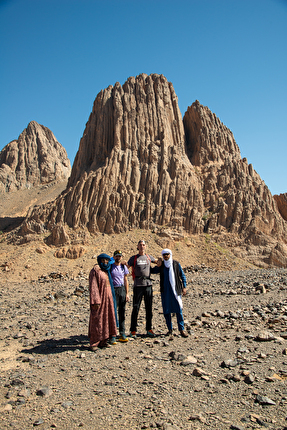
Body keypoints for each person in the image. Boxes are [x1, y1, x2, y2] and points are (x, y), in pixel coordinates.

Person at [127, 240, 160, 338]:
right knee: (136, 308)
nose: (142, 246)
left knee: (149, 308)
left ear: (146, 246)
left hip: (148, 285)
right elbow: (126, 268)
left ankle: (149, 329)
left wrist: (162, 261)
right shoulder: (134, 258)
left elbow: (157, 263)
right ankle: (133, 330)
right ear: (137, 246)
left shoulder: (149, 257)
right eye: (140, 245)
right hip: (138, 286)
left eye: (143, 245)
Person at [155, 248, 188, 337]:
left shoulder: (176, 264)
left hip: (176, 291)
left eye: (167, 254)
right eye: (164, 254)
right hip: (165, 292)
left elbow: (182, 275)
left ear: (170, 254)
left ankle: (181, 330)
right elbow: (152, 271)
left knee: (178, 310)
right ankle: (170, 329)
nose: (166, 256)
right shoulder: (161, 266)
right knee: (166, 311)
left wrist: (184, 287)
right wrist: (156, 262)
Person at [88, 253, 117, 350]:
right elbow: (93, 286)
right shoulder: (95, 271)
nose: (105, 262)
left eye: (106, 260)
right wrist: (95, 300)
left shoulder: (106, 270)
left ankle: (104, 341)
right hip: (100, 300)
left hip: (108, 299)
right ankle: (94, 343)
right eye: (103, 260)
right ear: (99, 261)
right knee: (98, 319)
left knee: (107, 319)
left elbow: (114, 260)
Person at [110, 250, 130, 342]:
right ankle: (113, 334)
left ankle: (122, 333)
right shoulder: (110, 266)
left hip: (121, 289)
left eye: (119, 256)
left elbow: (126, 280)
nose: (118, 258)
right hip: (113, 290)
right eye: (116, 256)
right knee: (113, 312)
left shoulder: (123, 267)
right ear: (114, 257)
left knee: (122, 312)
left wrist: (127, 293)